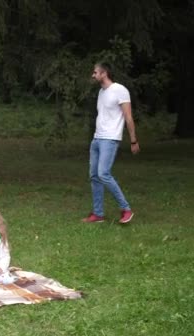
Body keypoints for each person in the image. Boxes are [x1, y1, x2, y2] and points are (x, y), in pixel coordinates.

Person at [82, 62, 140, 224]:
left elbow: (128, 117)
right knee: (94, 176)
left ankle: (126, 209)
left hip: (110, 139)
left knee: (103, 174)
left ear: (104, 73)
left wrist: (133, 140)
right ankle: (98, 214)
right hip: (97, 138)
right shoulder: (101, 92)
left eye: (95, 72)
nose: (93, 75)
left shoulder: (120, 90)